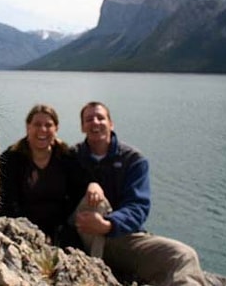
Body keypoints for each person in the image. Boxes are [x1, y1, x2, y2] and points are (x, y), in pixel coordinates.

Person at [71, 101, 206, 286]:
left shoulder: (133, 160)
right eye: (89, 119)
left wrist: (108, 225)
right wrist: (91, 185)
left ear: (111, 123)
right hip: (80, 234)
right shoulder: (71, 156)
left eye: (100, 117)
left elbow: (138, 207)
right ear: (82, 127)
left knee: (183, 256)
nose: (95, 122)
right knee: (95, 201)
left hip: (119, 239)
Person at [0, 104, 81, 246]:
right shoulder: (11, 159)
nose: (43, 130)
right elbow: (3, 201)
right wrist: (30, 231)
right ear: (28, 127)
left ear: (56, 129)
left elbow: (79, 191)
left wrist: (94, 186)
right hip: (20, 228)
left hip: (59, 228)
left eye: (48, 125)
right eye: (37, 124)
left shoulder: (66, 157)